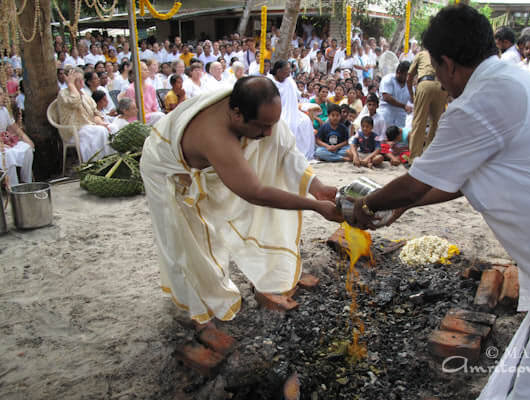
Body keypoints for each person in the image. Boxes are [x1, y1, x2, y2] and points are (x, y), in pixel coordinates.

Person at [347, 5, 530, 400]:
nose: (436, 82)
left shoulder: (481, 100)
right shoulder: (507, 82)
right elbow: (459, 180)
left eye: (434, 70)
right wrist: (404, 204)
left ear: (448, 63)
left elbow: (414, 183)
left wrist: (365, 205)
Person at [140, 77, 342, 367]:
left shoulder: (259, 113)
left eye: (272, 124)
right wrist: (315, 206)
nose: (268, 132)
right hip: (168, 173)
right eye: (261, 127)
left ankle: (263, 279)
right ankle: (201, 320)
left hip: (211, 166)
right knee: (184, 245)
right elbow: (255, 192)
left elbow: (284, 150)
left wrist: (317, 187)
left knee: (220, 229)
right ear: (236, 114)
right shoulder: (215, 135)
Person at [56, 68, 114, 162]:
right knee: (99, 131)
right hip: (73, 129)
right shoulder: (63, 94)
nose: (81, 82)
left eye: (81, 79)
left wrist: (100, 122)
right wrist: (70, 85)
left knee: (112, 128)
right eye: (77, 80)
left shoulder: (84, 94)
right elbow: (75, 102)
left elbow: (95, 111)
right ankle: (95, 162)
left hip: (89, 125)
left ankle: (111, 160)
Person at [406, 50, 448, 164]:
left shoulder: (422, 54)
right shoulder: (445, 54)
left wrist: (411, 94)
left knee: (419, 122)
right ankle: (429, 159)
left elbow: (409, 76)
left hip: (425, 84)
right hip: (442, 86)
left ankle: (414, 159)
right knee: (436, 124)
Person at [269, 60, 315, 160]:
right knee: (287, 124)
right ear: (279, 71)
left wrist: (302, 94)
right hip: (277, 111)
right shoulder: (270, 82)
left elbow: (297, 92)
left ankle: (300, 153)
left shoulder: (289, 80)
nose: (289, 73)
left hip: (293, 111)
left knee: (305, 121)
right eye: (287, 70)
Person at [0, 86, 34, 186]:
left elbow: (14, 127)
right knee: (8, 155)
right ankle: (14, 187)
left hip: (5, 142)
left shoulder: (3, 110)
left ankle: (27, 183)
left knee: (27, 149)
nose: (3, 97)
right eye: (0, 94)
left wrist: (26, 138)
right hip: (2, 147)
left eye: (2, 94)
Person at [379, 62, 412, 130]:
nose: (407, 77)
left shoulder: (409, 84)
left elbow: (413, 99)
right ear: (398, 72)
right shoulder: (388, 79)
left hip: (401, 117)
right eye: (405, 75)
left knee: (398, 138)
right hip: (386, 113)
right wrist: (403, 106)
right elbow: (387, 97)